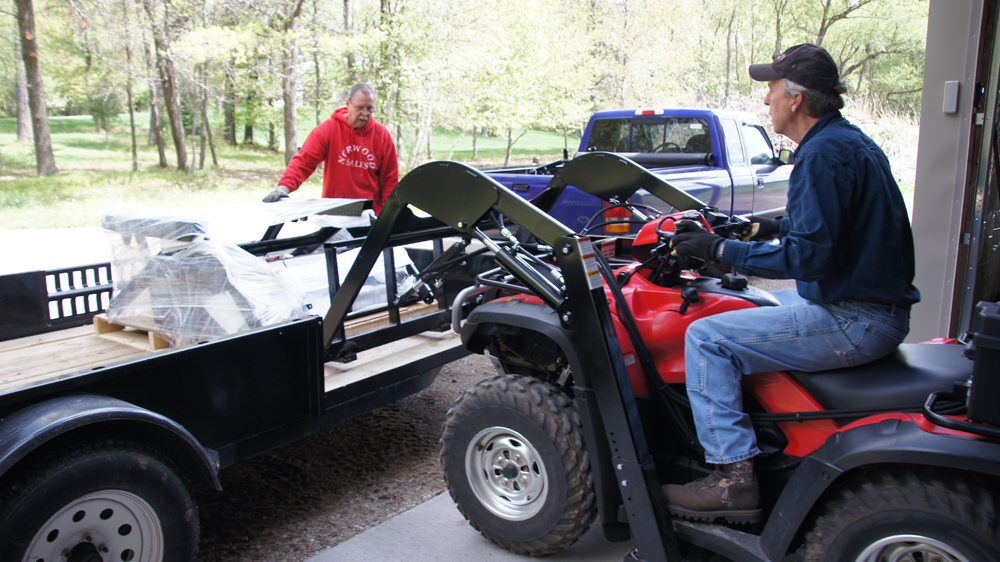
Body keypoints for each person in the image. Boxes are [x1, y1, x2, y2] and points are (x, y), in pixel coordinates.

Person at [663, 43, 920, 523]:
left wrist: (717, 250)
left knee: (706, 336)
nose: (767, 101)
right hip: (872, 310)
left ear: (796, 99)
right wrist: (764, 227)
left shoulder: (820, 156)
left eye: (772, 90)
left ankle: (731, 479)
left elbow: (808, 258)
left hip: (856, 320)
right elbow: (833, 226)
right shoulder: (847, 141)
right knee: (755, 305)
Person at [263, 83, 399, 214]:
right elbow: (303, 162)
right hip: (334, 211)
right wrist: (283, 188)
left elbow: (390, 179)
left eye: (369, 108)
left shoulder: (382, 135)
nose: (364, 113)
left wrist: (386, 215)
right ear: (348, 103)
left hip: (368, 213)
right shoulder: (328, 130)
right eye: (359, 107)